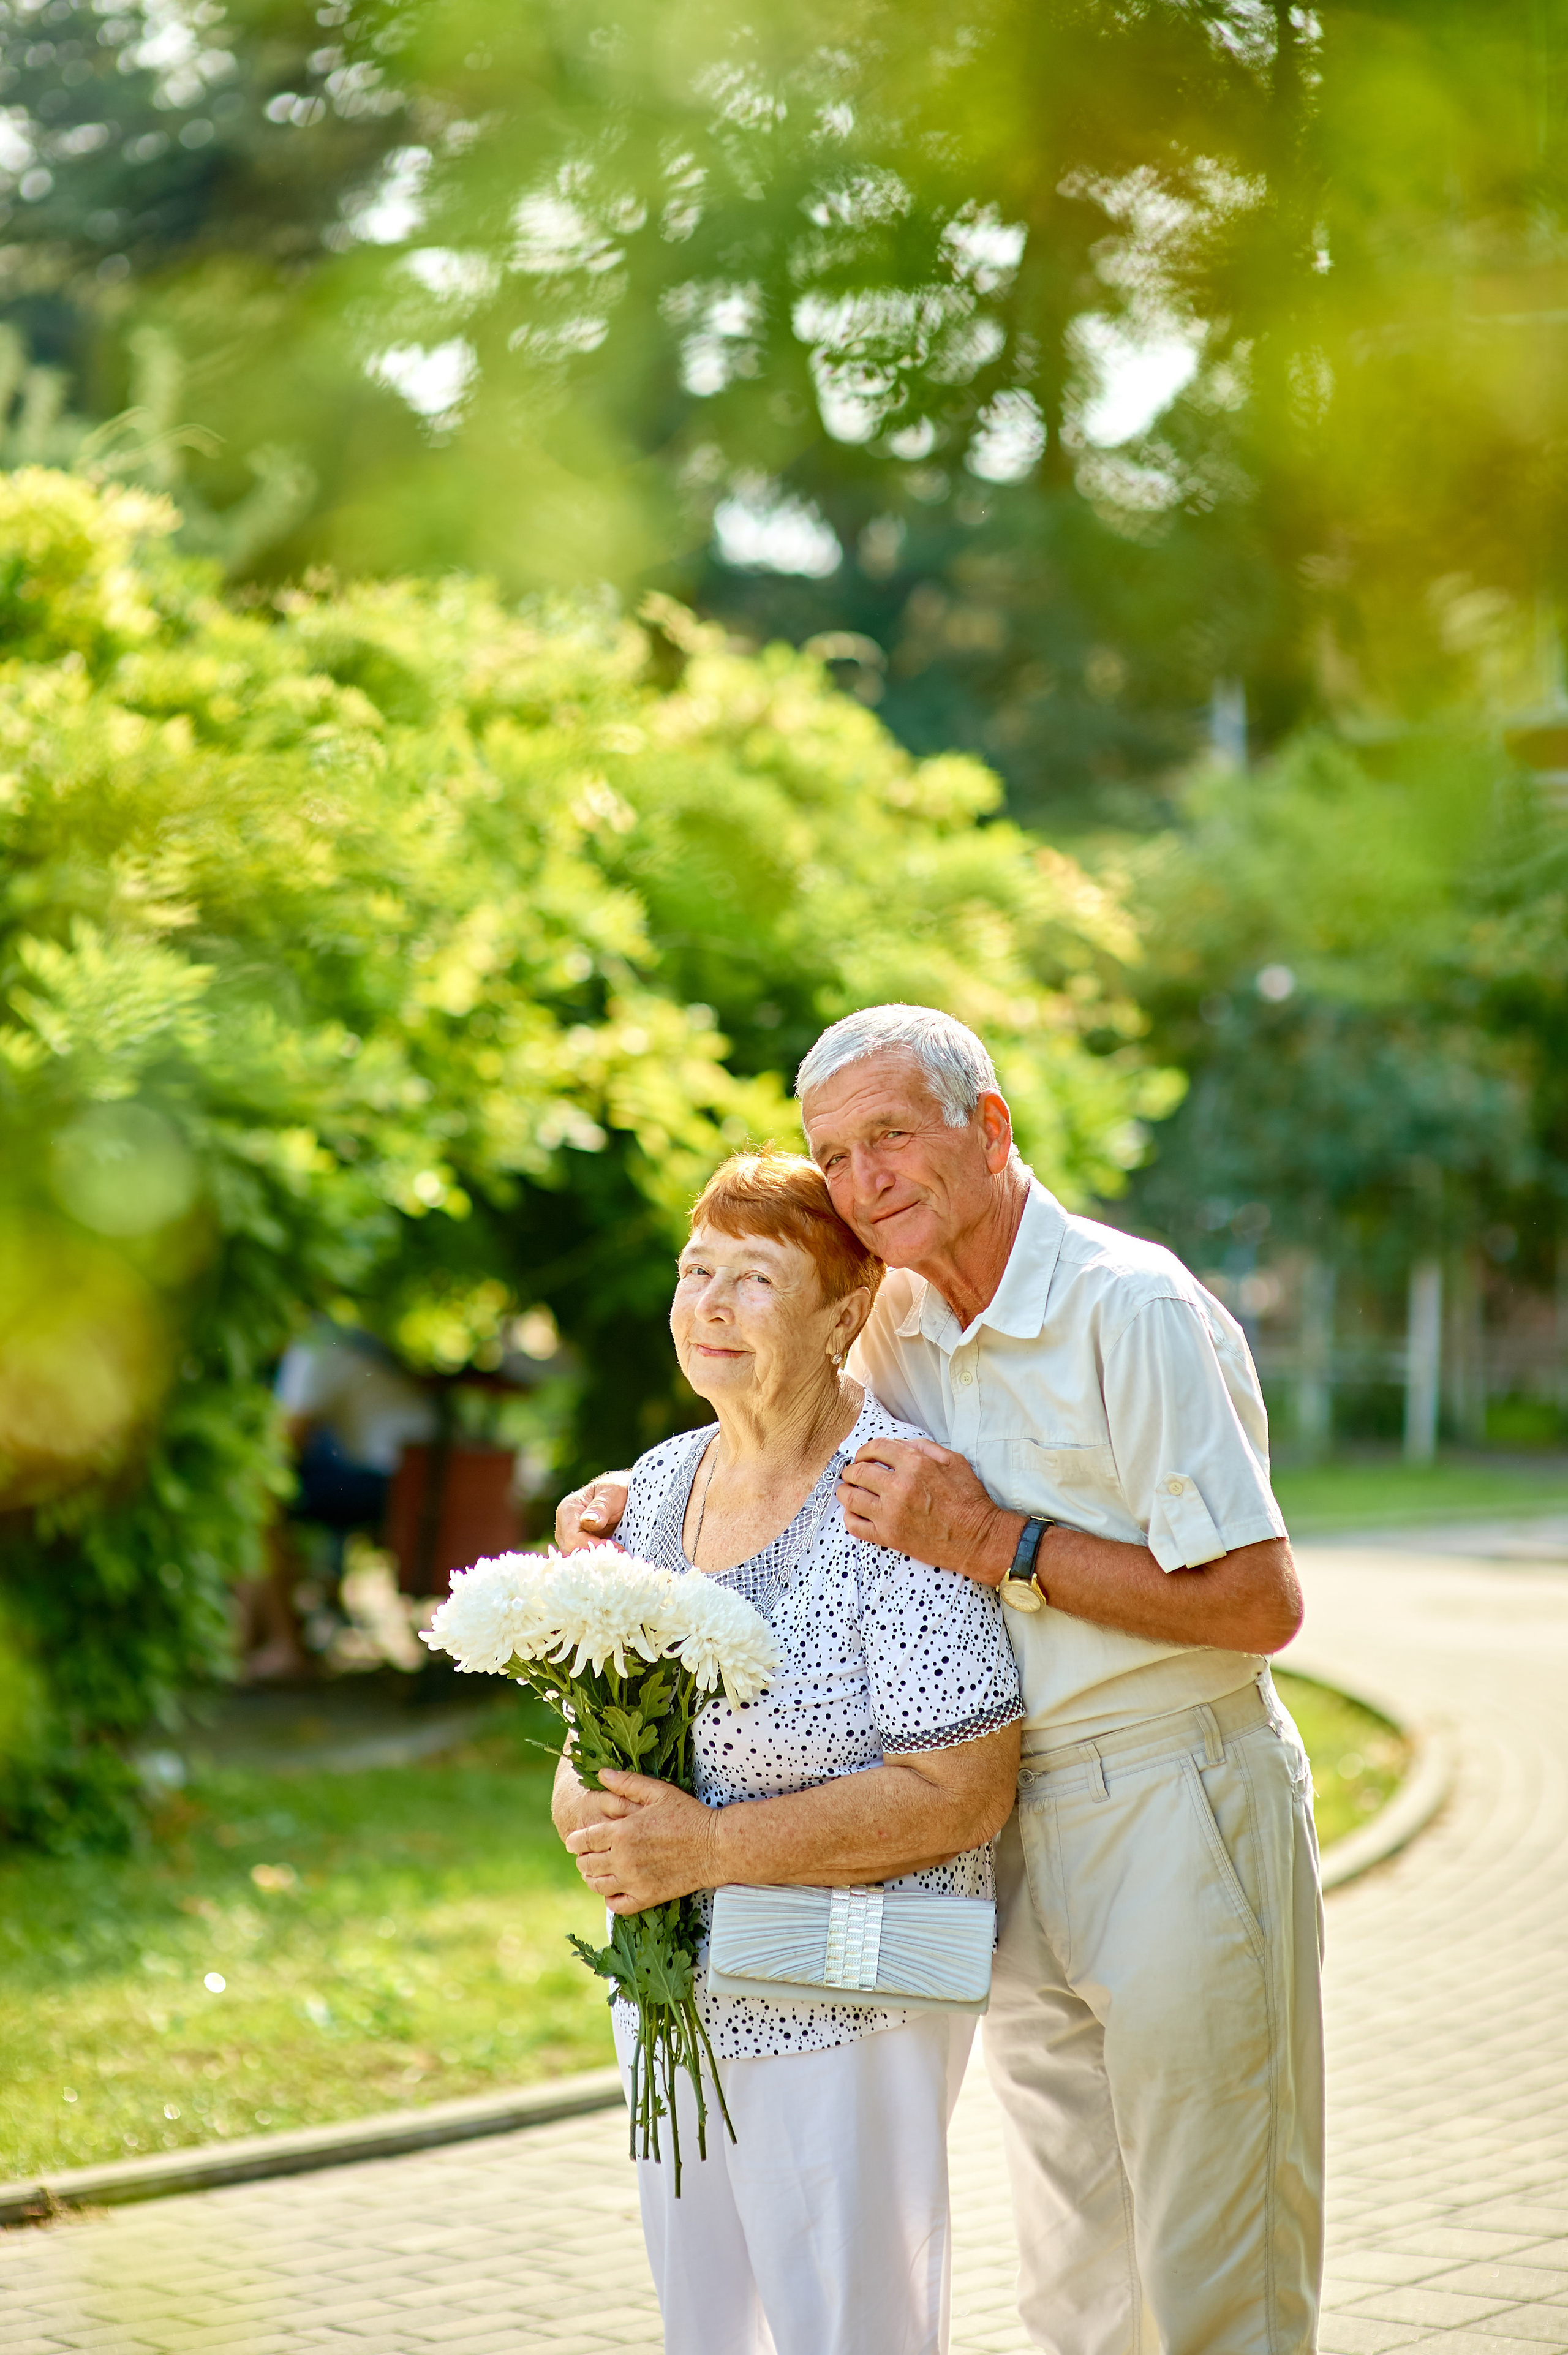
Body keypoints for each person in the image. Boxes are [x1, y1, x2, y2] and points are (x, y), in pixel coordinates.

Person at [559, 1007, 1324, 2355]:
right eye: (834, 1152)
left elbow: (1260, 1605)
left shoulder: (1124, 1306)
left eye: (891, 1136)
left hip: (1172, 1798)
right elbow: (769, 1409)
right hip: (1010, 1818)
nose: (864, 1180)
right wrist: (637, 1505)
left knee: (1217, 2259)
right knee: (1076, 2274)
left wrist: (994, 1544)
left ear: (988, 1129)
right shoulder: (895, 1310)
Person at [551, 1149, 1023, 2355]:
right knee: (701, 2321)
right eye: (694, 1269)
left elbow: (962, 1792)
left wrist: (707, 1846)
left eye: (752, 1279)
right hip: (674, 1985)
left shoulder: (892, 1489)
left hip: (852, 1982)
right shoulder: (656, 1488)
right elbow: (601, 1717)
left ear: (842, 1317)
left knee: (847, 2320)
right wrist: (590, 1809)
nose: (707, 1304)